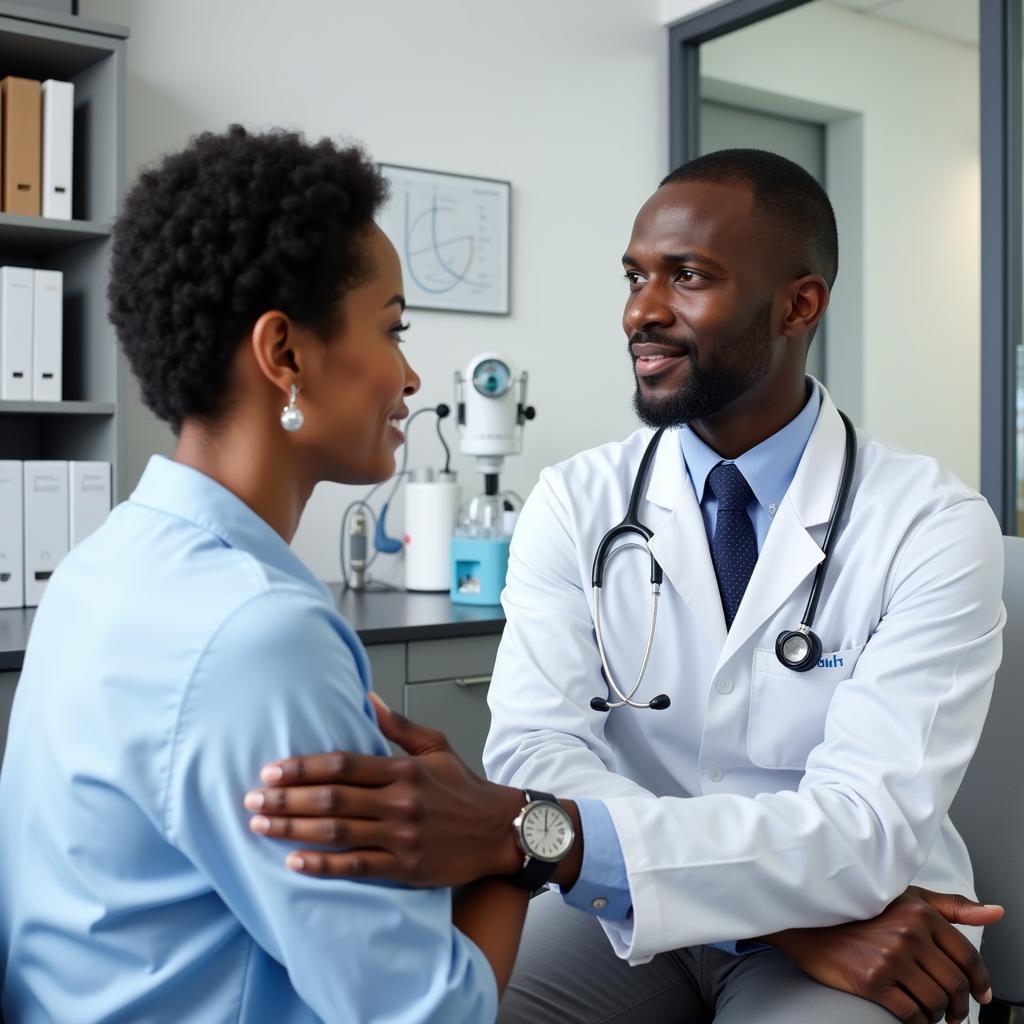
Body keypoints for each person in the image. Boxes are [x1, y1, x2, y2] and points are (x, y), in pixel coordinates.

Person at [243, 150, 1006, 1024]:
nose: (641, 312)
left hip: (868, 923)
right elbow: (536, 753)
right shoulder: (576, 502)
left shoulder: (932, 524)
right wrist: (760, 920)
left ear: (800, 304)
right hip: (658, 911)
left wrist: (611, 855)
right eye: (636, 277)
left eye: (688, 277)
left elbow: (866, 829)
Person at [0, 125, 533, 1022]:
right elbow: (428, 1012)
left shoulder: (101, 567)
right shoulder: (260, 635)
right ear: (284, 353)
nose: (408, 378)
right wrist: (514, 839)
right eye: (392, 329)